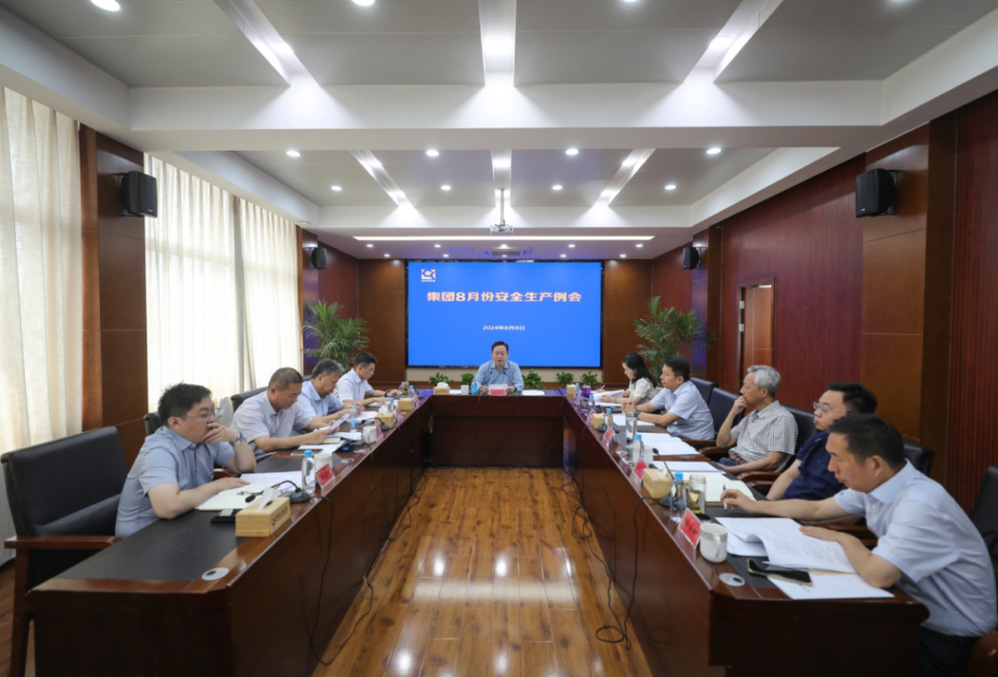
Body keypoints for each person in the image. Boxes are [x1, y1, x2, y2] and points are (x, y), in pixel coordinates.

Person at [721, 415, 997, 677]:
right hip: (907, 607)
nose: (831, 467)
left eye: (838, 458)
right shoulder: (881, 483)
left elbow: (878, 575)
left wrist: (846, 540)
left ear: (875, 463)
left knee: (817, 650)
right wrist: (756, 505)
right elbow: (817, 509)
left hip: (947, 637)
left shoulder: (920, 505)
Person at [115, 383, 256, 537]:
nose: (212, 420)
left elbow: (246, 467)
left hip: (186, 520)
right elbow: (168, 507)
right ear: (175, 423)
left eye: (212, 412)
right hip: (143, 536)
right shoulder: (157, 450)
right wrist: (218, 486)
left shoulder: (207, 436)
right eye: (204, 415)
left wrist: (235, 437)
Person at [767, 382, 878, 501]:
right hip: (784, 506)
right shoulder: (818, 439)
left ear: (851, 416)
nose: (816, 412)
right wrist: (766, 503)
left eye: (824, 409)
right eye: (817, 406)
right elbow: (790, 475)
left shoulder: (862, 457)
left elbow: (841, 509)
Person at [231, 367, 346, 460]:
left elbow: (309, 423)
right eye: (292, 395)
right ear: (273, 391)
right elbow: (265, 444)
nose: (295, 400)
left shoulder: (291, 406)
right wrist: (309, 438)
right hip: (253, 463)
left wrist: (327, 427)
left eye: (298, 395)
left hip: (279, 456)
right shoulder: (250, 409)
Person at [713, 365, 797, 474]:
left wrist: (731, 470)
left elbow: (773, 462)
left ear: (763, 392)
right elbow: (722, 443)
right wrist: (732, 413)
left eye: (747, 387)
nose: (741, 390)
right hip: (730, 463)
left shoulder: (781, 418)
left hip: (747, 474)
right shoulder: (753, 415)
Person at [624, 355, 713, 440]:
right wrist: (631, 407)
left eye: (666, 374)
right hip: (675, 435)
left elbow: (664, 421)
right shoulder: (669, 389)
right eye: (663, 373)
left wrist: (635, 413)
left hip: (694, 441)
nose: (661, 377)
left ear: (679, 379)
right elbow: (649, 407)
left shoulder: (689, 394)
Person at [334, 352, 401, 407]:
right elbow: (348, 404)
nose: (372, 373)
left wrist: (388, 394)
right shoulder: (346, 381)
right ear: (360, 368)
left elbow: (372, 392)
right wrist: (374, 400)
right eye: (371, 370)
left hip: (357, 413)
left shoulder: (362, 379)